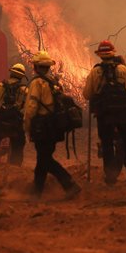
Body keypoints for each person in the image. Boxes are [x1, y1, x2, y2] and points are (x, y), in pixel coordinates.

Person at [83, 40, 126, 185]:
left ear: (100, 55)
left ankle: (110, 177)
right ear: (113, 53)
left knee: (107, 144)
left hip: (104, 115)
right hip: (124, 114)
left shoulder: (95, 72)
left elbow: (87, 94)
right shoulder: (123, 69)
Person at [23, 51, 81, 200]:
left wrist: (27, 127)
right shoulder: (54, 82)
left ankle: (69, 184)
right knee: (43, 159)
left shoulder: (37, 83)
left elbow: (31, 107)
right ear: (48, 67)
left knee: (45, 160)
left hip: (42, 127)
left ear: (35, 66)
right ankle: (36, 192)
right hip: (54, 126)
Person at [0, 63, 28, 165]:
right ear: (22, 76)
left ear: (11, 72)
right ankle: (15, 168)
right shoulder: (24, 90)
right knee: (18, 145)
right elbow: (26, 108)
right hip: (15, 124)